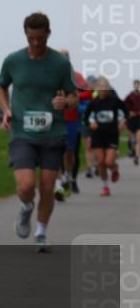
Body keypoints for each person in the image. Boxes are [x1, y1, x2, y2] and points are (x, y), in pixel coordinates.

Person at [0, 12, 77, 252]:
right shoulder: (13, 60)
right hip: (22, 132)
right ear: (26, 35)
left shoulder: (61, 64)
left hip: (53, 133)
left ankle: (41, 232)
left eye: (40, 38)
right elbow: (1, 87)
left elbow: (74, 95)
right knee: (25, 186)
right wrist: (6, 109)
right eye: (31, 38)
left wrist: (66, 103)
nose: (35, 43)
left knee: (47, 186)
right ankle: (26, 208)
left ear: (48, 34)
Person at [84, 78, 130, 196]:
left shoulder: (114, 101)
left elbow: (126, 112)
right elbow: (85, 118)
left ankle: (114, 169)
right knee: (100, 162)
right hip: (97, 135)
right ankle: (105, 186)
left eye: (105, 86)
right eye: (101, 86)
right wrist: (91, 123)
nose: (103, 88)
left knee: (108, 162)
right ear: (97, 88)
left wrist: (123, 122)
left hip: (111, 135)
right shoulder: (93, 103)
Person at [54, 50, 88, 200]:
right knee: (54, 152)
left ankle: (67, 175)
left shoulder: (77, 76)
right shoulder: (49, 73)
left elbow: (86, 93)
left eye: (64, 58)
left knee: (69, 152)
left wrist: (71, 98)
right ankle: (58, 185)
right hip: (54, 119)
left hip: (72, 119)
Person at [125, 79, 140, 166]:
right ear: (133, 85)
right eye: (135, 84)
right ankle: (131, 149)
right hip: (131, 119)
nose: (136, 86)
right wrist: (129, 112)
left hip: (139, 119)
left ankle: (137, 156)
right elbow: (124, 106)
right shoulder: (129, 96)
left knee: (138, 139)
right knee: (131, 138)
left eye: (138, 84)